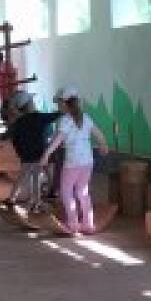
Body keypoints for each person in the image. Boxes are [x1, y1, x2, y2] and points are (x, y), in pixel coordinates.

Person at [41, 90, 109, 236]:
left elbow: (57, 140)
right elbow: (98, 134)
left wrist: (46, 154)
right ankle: (88, 224)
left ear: (65, 103)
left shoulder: (65, 120)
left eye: (59, 103)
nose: (58, 105)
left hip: (73, 162)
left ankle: (73, 224)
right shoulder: (86, 117)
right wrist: (104, 145)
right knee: (82, 191)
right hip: (88, 161)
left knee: (66, 191)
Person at [4, 90, 55, 212]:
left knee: (23, 175)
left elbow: (14, 140)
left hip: (26, 155)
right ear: (29, 103)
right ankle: (36, 203)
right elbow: (53, 119)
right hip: (38, 153)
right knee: (36, 177)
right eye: (31, 100)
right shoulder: (38, 117)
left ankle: (12, 198)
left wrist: (20, 153)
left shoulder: (18, 122)